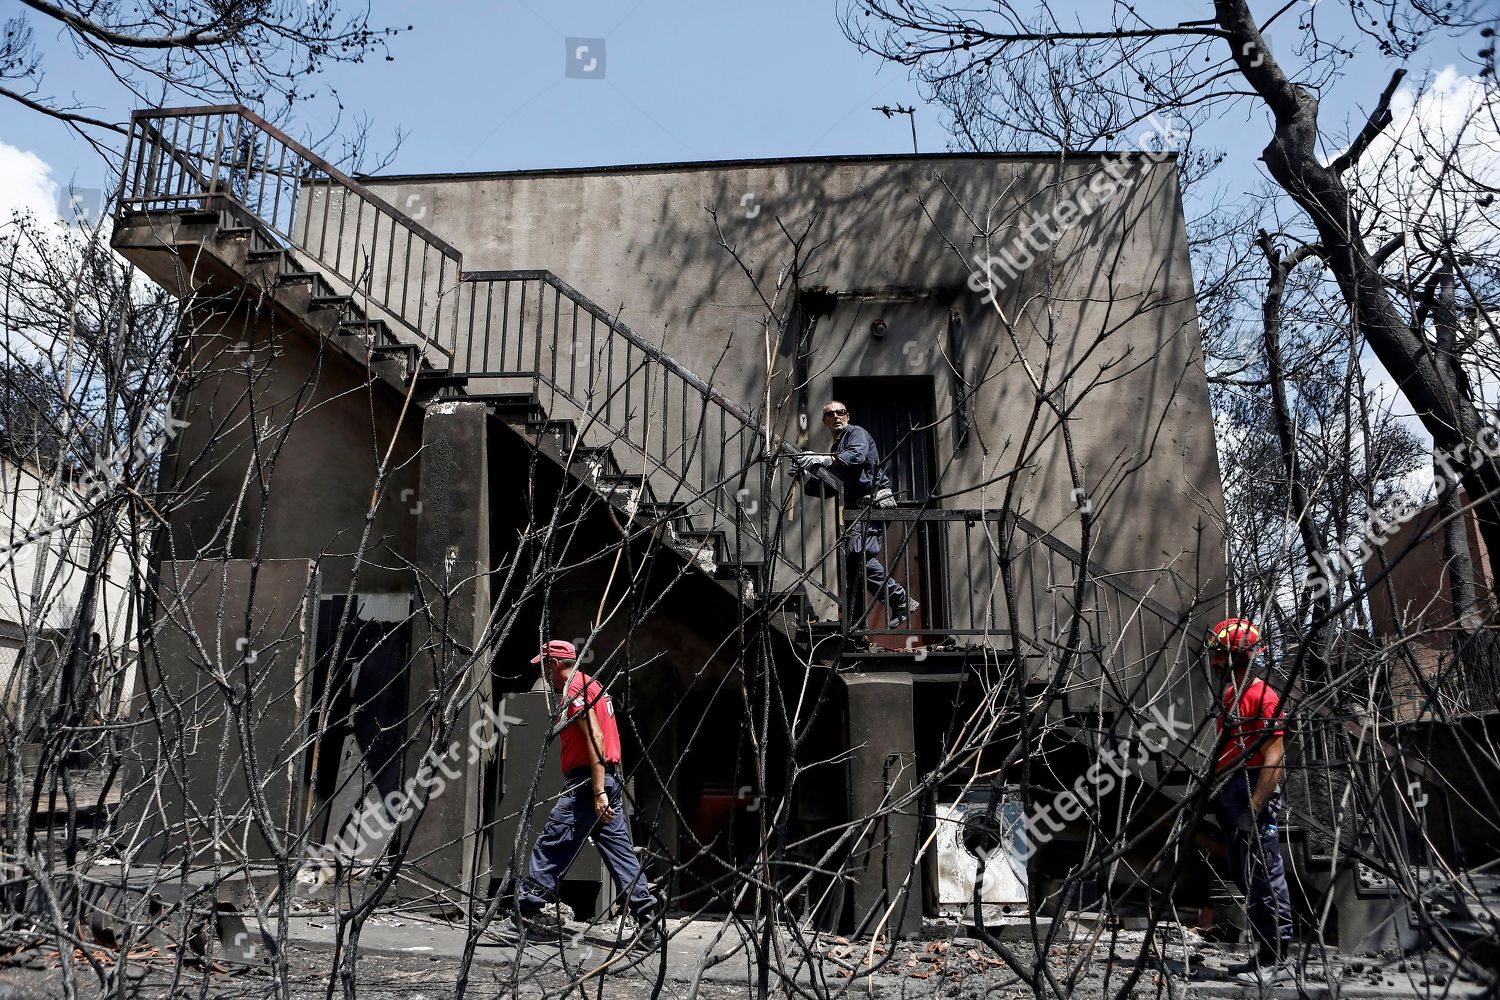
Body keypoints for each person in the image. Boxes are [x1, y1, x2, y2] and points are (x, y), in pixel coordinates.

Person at [513, 639, 660, 947]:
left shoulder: (575, 690)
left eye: (543, 665)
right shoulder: (593, 684)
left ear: (553, 664)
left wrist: (596, 791)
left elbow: (595, 737)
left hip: (588, 784)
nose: (543, 673)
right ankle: (648, 922)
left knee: (553, 842)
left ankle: (525, 912)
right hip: (609, 780)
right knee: (621, 853)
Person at [1205, 618, 1294, 983]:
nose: (1212, 658)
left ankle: (1277, 958)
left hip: (1253, 791)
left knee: (1265, 874)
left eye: (1218, 652)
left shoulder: (1265, 696)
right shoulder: (1230, 696)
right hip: (1232, 790)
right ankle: (1262, 954)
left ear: (1237, 655)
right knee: (1246, 876)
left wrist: (1253, 811)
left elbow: (1274, 758)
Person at [792, 400, 918, 630]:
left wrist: (821, 459)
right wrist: (806, 477)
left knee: (858, 555)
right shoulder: (837, 449)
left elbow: (857, 456)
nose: (836, 416)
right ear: (825, 421)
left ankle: (899, 599)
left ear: (847, 416)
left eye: (840, 412)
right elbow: (830, 487)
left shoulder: (856, 434)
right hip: (857, 511)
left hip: (874, 505)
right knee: (853, 563)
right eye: (830, 414)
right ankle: (856, 623)